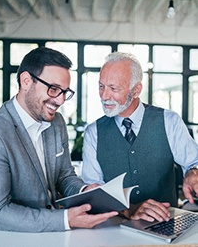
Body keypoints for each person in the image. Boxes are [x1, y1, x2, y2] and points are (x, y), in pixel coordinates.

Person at [0, 47, 117, 233]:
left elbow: (64, 176)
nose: (61, 100)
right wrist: (65, 220)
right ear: (26, 81)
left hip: (56, 236)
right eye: (54, 89)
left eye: (65, 92)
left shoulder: (56, 122)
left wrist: (85, 191)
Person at [82, 51, 198, 223]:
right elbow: (94, 191)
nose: (104, 96)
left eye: (113, 88)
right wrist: (127, 209)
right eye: (101, 86)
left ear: (136, 90)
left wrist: (193, 172)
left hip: (165, 223)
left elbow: (193, 162)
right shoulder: (93, 132)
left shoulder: (169, 121)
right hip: (114, 227)